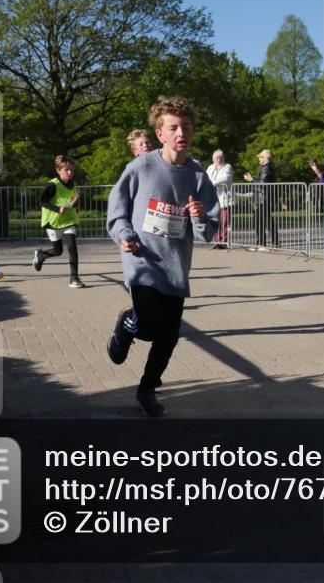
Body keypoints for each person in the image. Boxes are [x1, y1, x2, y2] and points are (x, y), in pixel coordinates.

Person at [106, 96, 219, 417]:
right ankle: (128, 325)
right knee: (152, 326)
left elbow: (207, 231)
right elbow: (117, 211)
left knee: (169, 335)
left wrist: (198, 216)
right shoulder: (141, 167)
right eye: (174, 127)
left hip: (175, 266)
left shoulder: (198, 176)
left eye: (187, 127)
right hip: (141, 261)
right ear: (160, 133)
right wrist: (124, 235)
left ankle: (147, 389)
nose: (181, 132)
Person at [32, 155, 85, 288]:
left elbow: (73, 198)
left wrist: (77, 204)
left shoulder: (73, 184)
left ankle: (74, 278)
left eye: (72, 170)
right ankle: (41, 255)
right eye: (66, 170)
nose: (70, 173)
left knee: (72, 248)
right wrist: (57, 209)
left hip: (68, 220)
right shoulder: (52, 185)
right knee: (58, 251)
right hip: (53, 221)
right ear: (58, 171)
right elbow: (42, 201)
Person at [243, 149, 278, 251]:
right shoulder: (264, 167)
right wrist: (252, 180)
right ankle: (261, 243)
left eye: (260, 157)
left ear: (265, 158)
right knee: (260, 221)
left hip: (264, 198)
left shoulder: (267, 168)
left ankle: (270, 242)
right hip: (260, 198)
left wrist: (251, 179)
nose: (258, 159)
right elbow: (260, 182)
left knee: (265, 220)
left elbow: (262, 183)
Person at [206, 150, 233, 249]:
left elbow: (225, 178)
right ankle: (216, 241)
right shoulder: (210, 167)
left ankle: (223, 242)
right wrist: (211, 183)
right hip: (213, 198)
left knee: (224, 221)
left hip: (224, 198)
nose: (219, 159)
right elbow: (206, 178)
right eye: (217, 157)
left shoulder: (227, 166)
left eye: (221, 157)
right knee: (215, 220)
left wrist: (213, 183)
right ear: (213, 159)